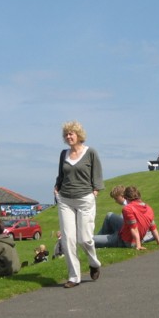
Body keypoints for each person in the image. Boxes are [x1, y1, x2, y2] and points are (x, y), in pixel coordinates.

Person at [54, 121, 104, 288]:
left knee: (85, 239)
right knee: (67, 240)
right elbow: (61, 175)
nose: (68, 136)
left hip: (85, 199)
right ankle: (74, 276)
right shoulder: (63, 154)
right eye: (66, 134)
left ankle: (94, 263)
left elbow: (97, 177)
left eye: (71, 133)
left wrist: (94, 193)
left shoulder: (91, 153)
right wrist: (57, 190)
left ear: (78, 135)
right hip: (65, 200)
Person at [93, 186, 159, 249]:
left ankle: (101, 240)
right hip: (125, 234)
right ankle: (103, 238)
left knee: (90, 240)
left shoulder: (128, 208)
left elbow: (134, 228)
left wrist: (138, 245)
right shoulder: (149, 208)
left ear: (125, 197)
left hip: (123, 240)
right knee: (109, 216)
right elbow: (153, 227)